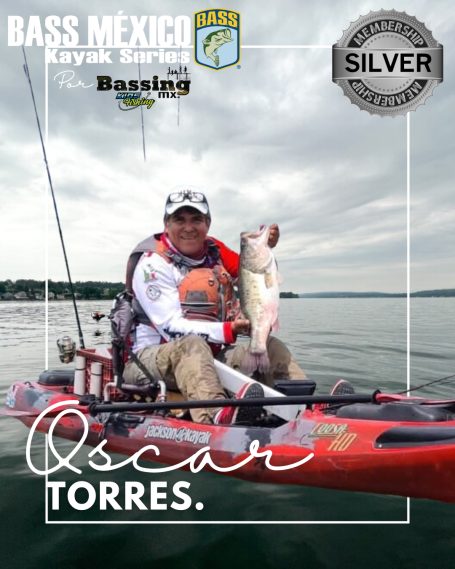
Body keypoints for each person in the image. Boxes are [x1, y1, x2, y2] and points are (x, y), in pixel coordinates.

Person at [123, 186, 307, 424]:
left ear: (207, 223)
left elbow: (255, 274)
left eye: (196, 219)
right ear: (166, 224)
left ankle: (308, 405)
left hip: (210, 359)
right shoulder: (152, 265)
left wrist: (265, 247)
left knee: (270, 346)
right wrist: (229, 329)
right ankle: (216, 417)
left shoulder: (214, 251)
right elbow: (171, 328)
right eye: (179, 220)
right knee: (191, 345)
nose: (189, 227)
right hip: (147, 362)